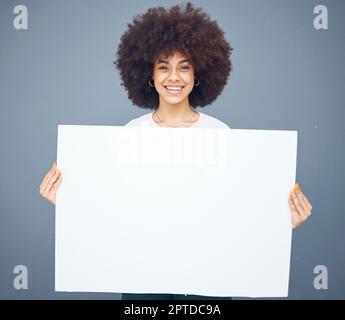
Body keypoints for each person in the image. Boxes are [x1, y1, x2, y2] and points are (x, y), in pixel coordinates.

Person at [39, 2, 313, 300]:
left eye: (184, 67)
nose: (174, 77)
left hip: (210, 276)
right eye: (163, 67)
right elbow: (117, 207)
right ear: (149, 74)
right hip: (143, 275)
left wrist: (283, 221)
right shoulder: (132, 134)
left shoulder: (220, 134)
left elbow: (234, 210)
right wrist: (67, 204)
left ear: (198, 75)